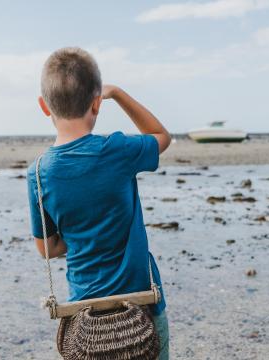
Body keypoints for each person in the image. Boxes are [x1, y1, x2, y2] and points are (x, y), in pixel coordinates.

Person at [26, 47, 171, 359]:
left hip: (84, 308)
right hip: (141, 298)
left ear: (43, 106)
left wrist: (81, 235)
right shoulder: (117, 150)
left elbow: (47, 249)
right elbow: (161, 135)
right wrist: (118, 93)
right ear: (96, 103)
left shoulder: (38, 173)